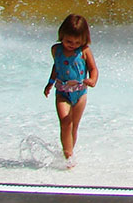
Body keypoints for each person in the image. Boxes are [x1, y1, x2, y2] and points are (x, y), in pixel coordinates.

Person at [43, 14, 99, 166]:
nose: (72, 45)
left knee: (74, 126)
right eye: (68, 41)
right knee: (65, 122)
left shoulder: (84, 51)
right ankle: (67, 156)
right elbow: (57, 66)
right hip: (62, 92)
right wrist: (50, 83)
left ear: (83, 40)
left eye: (77, 42)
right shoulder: (56, 50)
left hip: (80, 93)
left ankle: (70, 154)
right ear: (62, 36)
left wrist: (93, 80)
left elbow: (93, 69)